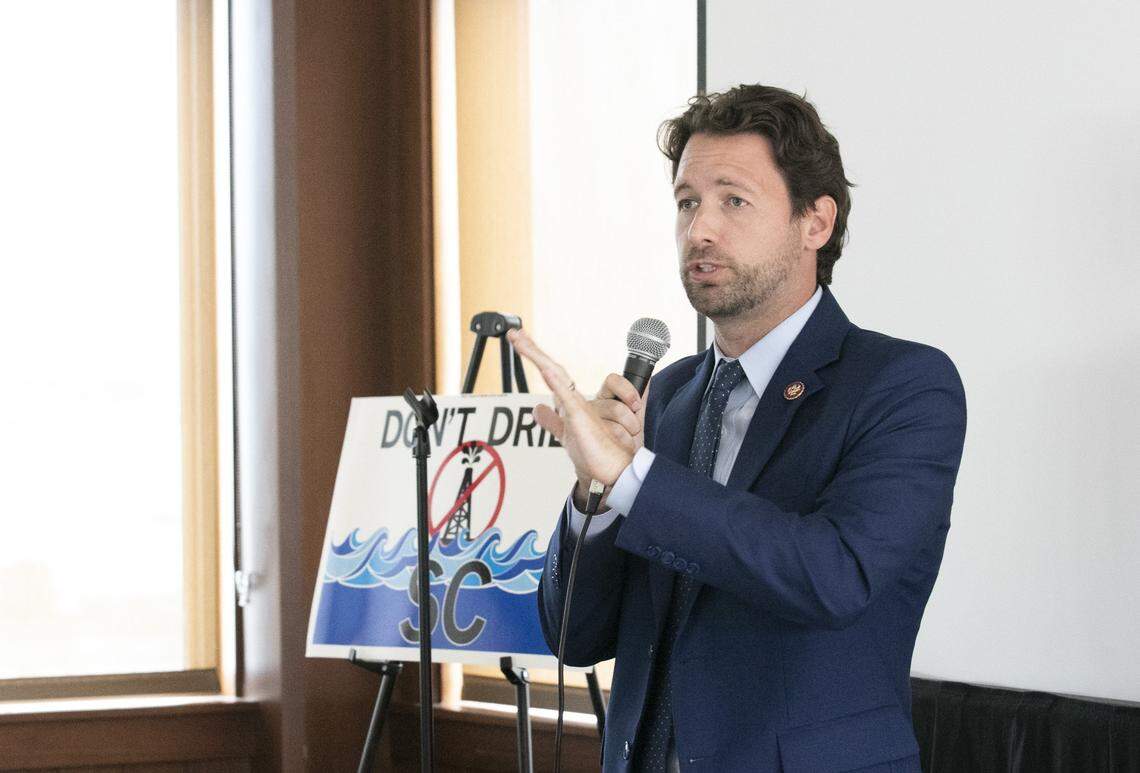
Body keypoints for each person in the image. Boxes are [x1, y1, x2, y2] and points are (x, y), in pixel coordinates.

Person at [508, 83, 967, 773]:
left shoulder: (903, 385)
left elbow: (832, 576)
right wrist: (592, 498)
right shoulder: (667, 396)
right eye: (687, 202)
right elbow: (575, 634)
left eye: (734, 200)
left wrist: (633, 478)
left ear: (815, 222)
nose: (700, 230)